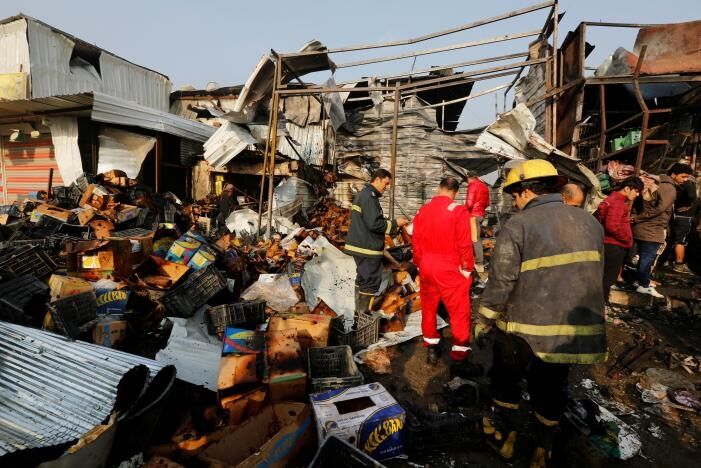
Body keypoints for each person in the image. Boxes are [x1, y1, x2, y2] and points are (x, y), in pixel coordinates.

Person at [476, 160, 606, 467]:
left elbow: (502, 281)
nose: (514, 202)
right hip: (570, 332)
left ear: (523, 192)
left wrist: (484, 319)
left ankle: (504, 439)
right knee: (550, 389)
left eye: (513, 195)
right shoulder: (590, 223)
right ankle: (541, 451)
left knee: (506, 381)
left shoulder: (518, 225)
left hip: (523, 330)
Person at [412, 177, 482, 377]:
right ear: (456, 192)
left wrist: (419, 263)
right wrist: (467, 268)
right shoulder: (458, 211)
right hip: (449, 268)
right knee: (460, 312)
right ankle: (459, 360)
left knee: (429, 307)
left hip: (426, 266)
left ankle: (432, 350)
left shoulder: (422, 211)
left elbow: (415, 241)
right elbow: (464, 243)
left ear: (438, 188)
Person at [345, 169, 409, 316]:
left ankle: (358, 316)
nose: (386, 187)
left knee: (362, 280)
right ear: (378, 179)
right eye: (386, 183)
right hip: (367, 249)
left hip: (360, 246)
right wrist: (395, 223)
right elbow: (374, 224)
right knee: (370, 283)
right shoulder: (369, 197)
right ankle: (363, 318)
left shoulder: (365, 195)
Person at [631, 164, 691, 297]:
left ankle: (642, 281)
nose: (686, 180)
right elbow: (660, 209)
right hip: (653, 228)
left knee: (644, 256)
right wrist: (639, 218)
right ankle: (643, 285)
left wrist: (638, 218)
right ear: (674, 174)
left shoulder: (659, 181)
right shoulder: (669, 188)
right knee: (647, 257)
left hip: (644, 227)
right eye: (684, 176)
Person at [594, 176, 643, 303]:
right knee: (608, 278)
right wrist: (626, 238)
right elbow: (612, 226)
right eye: (636, 191)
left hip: (607, 244)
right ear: (627, 188)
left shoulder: (611, 199)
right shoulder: (618, 203)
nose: (637, 195)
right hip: (614, 246)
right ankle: (600, 305)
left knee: (602, 277)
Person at [666, 167, 697, 274]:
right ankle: (679, 264)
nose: (685, 179)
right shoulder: (689, 185)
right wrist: (690, 204)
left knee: (673, 239)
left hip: (676, 216)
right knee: (681, 241)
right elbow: (692, 196)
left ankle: (668, 260)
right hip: (684, 218)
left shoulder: (676, 186)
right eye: (684, 177)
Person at [465, 171, 490, 273]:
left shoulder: (472, 185)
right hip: (480, 215)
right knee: (473, 238)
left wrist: (464, 210)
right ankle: (472, 260)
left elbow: (469, 203)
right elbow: (487, 203)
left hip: (473, 215)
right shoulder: (484, 186)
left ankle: (479, 264)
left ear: (469, 177)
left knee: (475, 239)